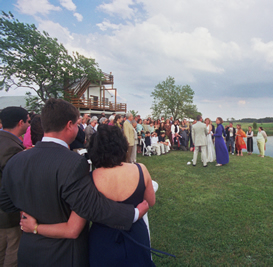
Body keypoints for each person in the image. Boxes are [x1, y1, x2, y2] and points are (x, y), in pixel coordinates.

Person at [0, 98, 149, 266]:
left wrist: (30, 218)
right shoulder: (73, 163)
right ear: (69, 125)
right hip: (64, 254)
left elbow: (6, 203)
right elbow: (90, 205)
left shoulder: (16, 160)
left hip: (29, 250)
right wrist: (133, 214)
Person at [20, 125, 156, 266]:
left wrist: (35, 227)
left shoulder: (89, 179)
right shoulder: (140, 169)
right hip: (136, 233)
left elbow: (72, 228)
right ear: (122, 146)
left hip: (103, 240)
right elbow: (150, 201)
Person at [0, 106, 30, 266]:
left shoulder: (6, 142)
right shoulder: (11, 147)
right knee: (12, 251)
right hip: (7, 214)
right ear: (21, 122)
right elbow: (15, 181)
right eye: (28, 121)